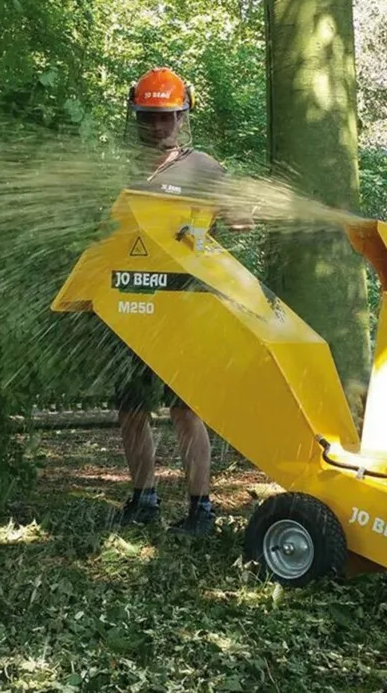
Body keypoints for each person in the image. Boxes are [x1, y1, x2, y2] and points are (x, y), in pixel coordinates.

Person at [113, 67, 253, 537]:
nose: (157, 127)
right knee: (131, 408)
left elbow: (239, 222)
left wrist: (221, 219)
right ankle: (143, 499)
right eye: (148, 118)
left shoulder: (205, 168)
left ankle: (200, 509)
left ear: (183, 114)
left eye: (166, 117)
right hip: (130, 300)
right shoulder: (125, 167)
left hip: (186, 303)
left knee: (185, 409)